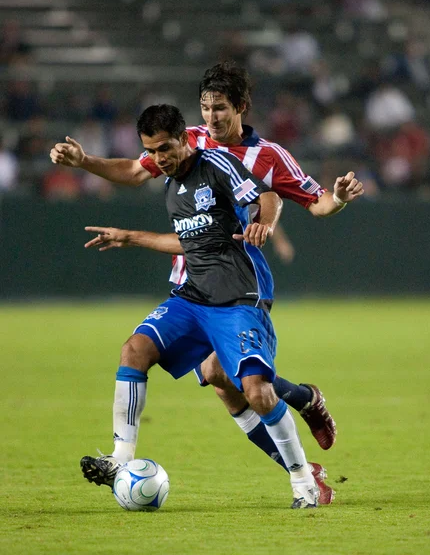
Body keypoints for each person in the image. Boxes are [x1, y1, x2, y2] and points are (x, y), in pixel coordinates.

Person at [50, 62, 363, 473]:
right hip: (190, 281)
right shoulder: (185, 141)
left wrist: (333, 198)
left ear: (242, 107)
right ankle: (303, 408)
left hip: (233, 279)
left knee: (228, 374)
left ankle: (302, 458)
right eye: (205, 108)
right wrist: (84, 160)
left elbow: (304, 201)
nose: (211, 118)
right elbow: (131, 170)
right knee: (219, 378)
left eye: (220, 108)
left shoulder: (267, 156)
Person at [81, 104, 319, 509]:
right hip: (192, 297)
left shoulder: (217, 165)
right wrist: (129, 237)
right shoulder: (173, 189)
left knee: (257, 392)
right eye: (151, 151)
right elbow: (189, 244)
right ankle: (121, 459)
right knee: (135, 350)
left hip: (237, 297)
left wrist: (264, 223)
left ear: (185, 138)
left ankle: (304, 483)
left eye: (165, 148)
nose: (159, 159)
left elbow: (267, 195)